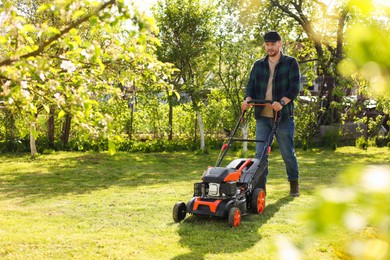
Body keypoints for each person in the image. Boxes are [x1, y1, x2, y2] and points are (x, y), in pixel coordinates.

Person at [241, 31, 301, 197]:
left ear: (280, 44)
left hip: (283, 117)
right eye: (267, 44)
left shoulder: (290, 63)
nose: (270, 47)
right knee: (260, 156)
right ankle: (260, 189)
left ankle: (294, 183)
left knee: (287, 153)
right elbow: (250, 86)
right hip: (262, 116)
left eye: (273, 44)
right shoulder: (258, 65)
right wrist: (247, 100)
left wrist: (282, 102)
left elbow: (295, 87)